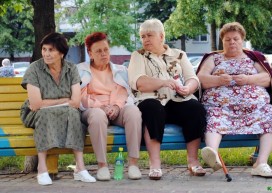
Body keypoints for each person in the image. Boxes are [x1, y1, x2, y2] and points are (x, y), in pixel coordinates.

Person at [196, 22, 272, 178]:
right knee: (213, 117)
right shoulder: (214, 58)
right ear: (222, 41)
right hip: (220, 109)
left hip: (255, 111)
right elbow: (200, 79)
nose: (232, 42)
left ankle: (261, 163)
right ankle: (213, 155)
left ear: (242, 39)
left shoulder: (253, 57)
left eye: (235, 39)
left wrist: (248, 79)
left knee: (271, 113)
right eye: (227, 39)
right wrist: (218, 80)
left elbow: (266, 78)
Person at [128, 19, 207, 180]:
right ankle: (155, 164)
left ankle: (193, 161)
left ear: (161, 36)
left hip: (177, 99)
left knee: (196, 108)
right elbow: (139, 83)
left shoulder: (179, 55)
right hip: (151, 99)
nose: (145, 40)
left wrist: (188, 88)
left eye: (149, 35)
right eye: (142, 36)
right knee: (153, 108)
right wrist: (163, 82)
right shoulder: (138, 56)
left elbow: (193, 79)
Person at [21, 32, 96, 185]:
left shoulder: (71, 69)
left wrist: (50, 102)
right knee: (45, 114)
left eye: (51, 50)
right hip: (36, 114)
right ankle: (42, 169)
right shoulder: (34, 69)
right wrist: (63, 100)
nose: (46, 54)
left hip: (65, 111)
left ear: (61, 53)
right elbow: (35, 105)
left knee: (74, 114)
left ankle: (80, 168)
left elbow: (75, 101)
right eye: (44, 49)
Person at [77, 32, 142, 181]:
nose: (103, 54)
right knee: (98, 116)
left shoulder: (121, 70)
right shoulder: (80, 70)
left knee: (133, 111)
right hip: (92, 110)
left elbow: (126, 94)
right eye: (98, 51)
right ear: (90, 53)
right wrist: (101, 107)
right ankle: (102, 166)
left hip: (116, 108)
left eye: (106, 50)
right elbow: (81, 96)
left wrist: (117, 107)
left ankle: (133, 164)